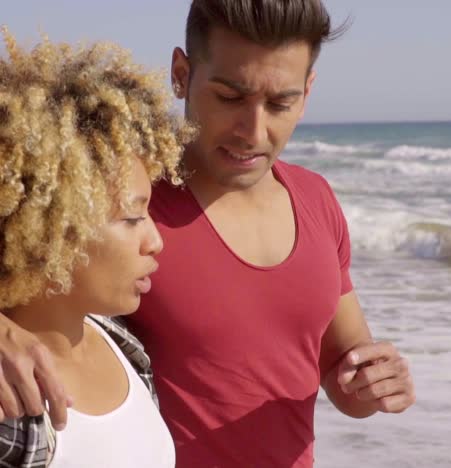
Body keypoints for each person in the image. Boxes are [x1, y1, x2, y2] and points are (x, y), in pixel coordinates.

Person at [0, 2, 416, 467]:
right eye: (230, 97)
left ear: (307, 92)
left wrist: (375, 382)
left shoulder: (316, 199)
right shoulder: (119, 199)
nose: (253, 131)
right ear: (181, 73)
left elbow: (345, 375)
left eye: (281, 103)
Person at [0, 28, 191, 467]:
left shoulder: (122, 342)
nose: (156, 240)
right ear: (51, 227)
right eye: (131, 217)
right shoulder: (13, 399)